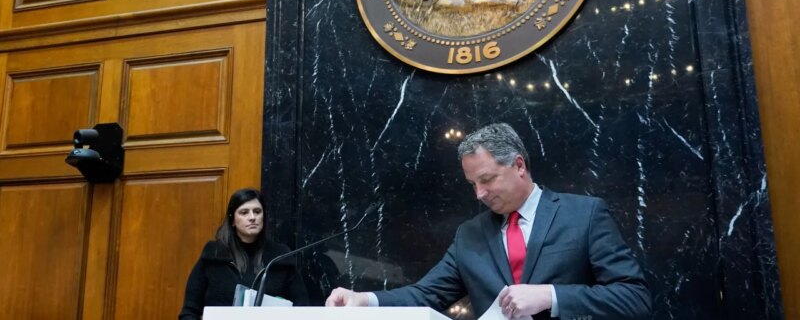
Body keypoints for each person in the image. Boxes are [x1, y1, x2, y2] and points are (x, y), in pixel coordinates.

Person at [326, 123, 651, 319]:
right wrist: (364, 300)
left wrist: (550, 296)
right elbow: (425, 295)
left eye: (487, 180)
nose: (479, 194)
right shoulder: (470, 234)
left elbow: (633, 299)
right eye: (472, 184)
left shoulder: (584, 215)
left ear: (519, 166)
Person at [179, 188, 308, 319]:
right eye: (244, 212)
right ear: (233, 220)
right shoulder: (214, 255)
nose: (252, 217)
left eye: (257, 212)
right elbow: (189, 312)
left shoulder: (280, 257)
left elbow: (303, 309)